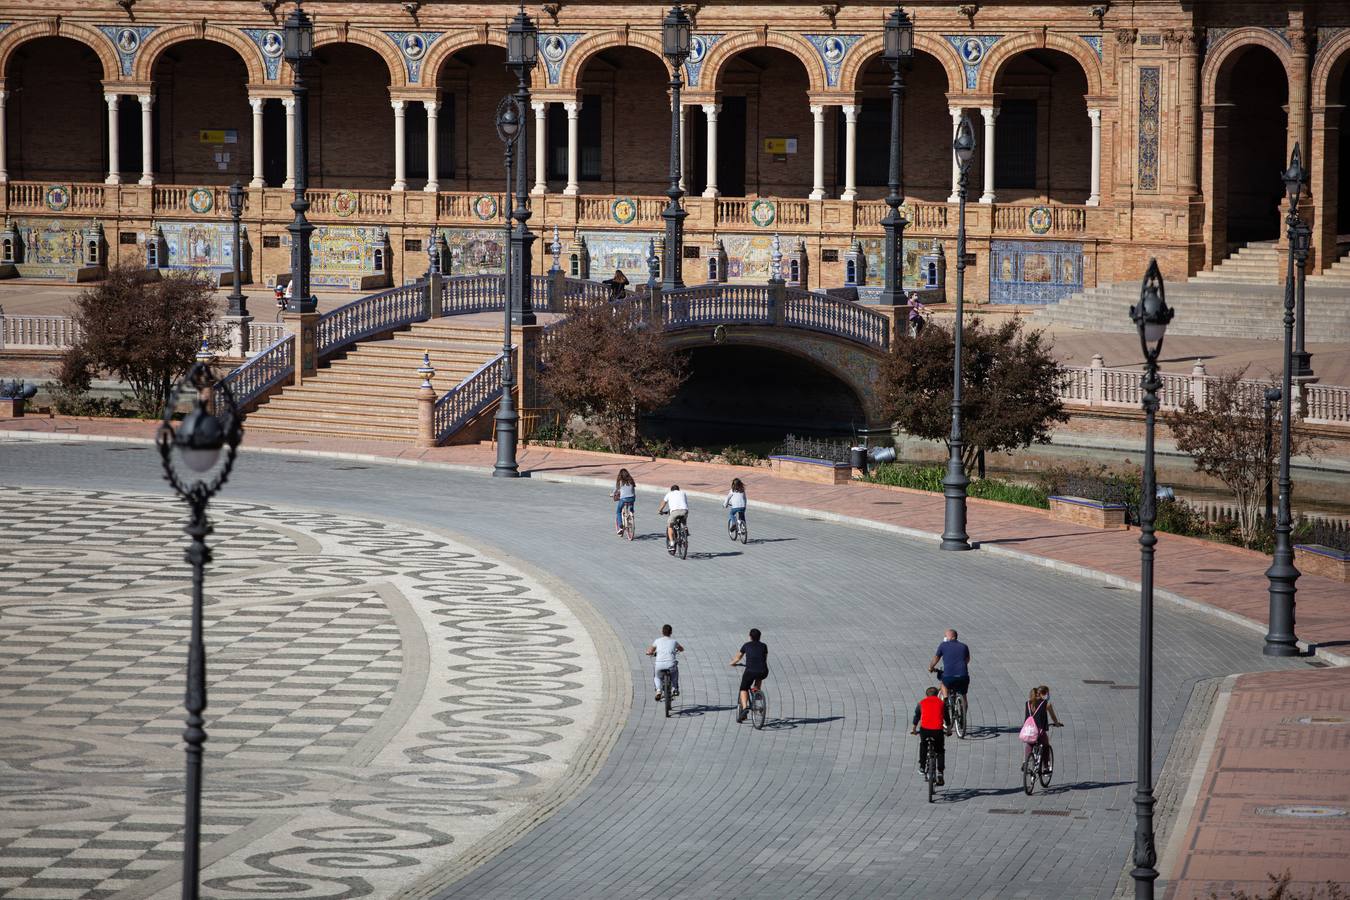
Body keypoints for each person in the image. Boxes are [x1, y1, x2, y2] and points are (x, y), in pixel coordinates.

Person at [928, 628, 971, 731]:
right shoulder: (964, 646)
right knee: (964, 695)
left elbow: (936, 658)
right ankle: (962, 717)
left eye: (945, 636)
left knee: (943, 684)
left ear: (949, 636)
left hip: (949, 677)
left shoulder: (943, 645)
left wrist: (931, 667)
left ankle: (946, 699)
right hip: (963, 676)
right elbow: (967, 659)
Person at [729, 628, 768, 723]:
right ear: (760, 637)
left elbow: (738, 658)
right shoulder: (764, 646)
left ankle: (745, 707)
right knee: (759, 676)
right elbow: (764, 659)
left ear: (750, 637)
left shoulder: (746, 645)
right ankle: (756, 691)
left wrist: (732, 663)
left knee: (744, 688)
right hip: (763, 670)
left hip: (750, 671)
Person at [910, 685, 946, 785]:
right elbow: (947, 718)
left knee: (923, 745)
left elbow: (916, 716)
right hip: (938, 730)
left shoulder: (921, 703)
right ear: (937, 695)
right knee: (940, 750)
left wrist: (914, 729)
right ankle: (940, 773)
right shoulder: (941, 703)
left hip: (925, 730)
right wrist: (948, 731)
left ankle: (922, 766)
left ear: (926, 695)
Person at [1024, 685, 1063, 771]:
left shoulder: (1028, 703)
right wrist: (1056, 724)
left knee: (1030, 744)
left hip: (1028, 730)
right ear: (1044, 694)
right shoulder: (1046, 704)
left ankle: (1025, 762)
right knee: (1046, 746)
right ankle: (1045, 767)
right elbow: (1053, 716)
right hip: (1039, 731)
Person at [645, 624, 683, 701]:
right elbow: (681, 649)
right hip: (671, 664)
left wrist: (649, 653)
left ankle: (658, 691)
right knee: (675, 674)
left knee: (657, 677)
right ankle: (675, 688)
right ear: (671, 632)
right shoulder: (674, 641)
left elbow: (650, 651)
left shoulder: (657, 641)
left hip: (659, 665)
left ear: (662, 632)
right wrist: (677, 650)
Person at [658, 483, 690, 554]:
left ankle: (672, 544)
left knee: (670, 526)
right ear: (678, 490)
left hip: (675, 512)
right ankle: (685, 529)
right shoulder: (683, 493)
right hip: (685, 511)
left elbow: (663, 503)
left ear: (671, 490)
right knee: (683, 519)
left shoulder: (669, 494)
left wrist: (660, 511)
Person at [612, 468, 636, 536]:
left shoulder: (620, 482)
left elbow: (615, 490)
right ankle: (631, 511)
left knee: (618, 511)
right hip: (632, 498)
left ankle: (620, 527)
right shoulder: (631, 480)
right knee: (632, 500)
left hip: (624, 499)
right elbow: (633, 490)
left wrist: (613, 494)